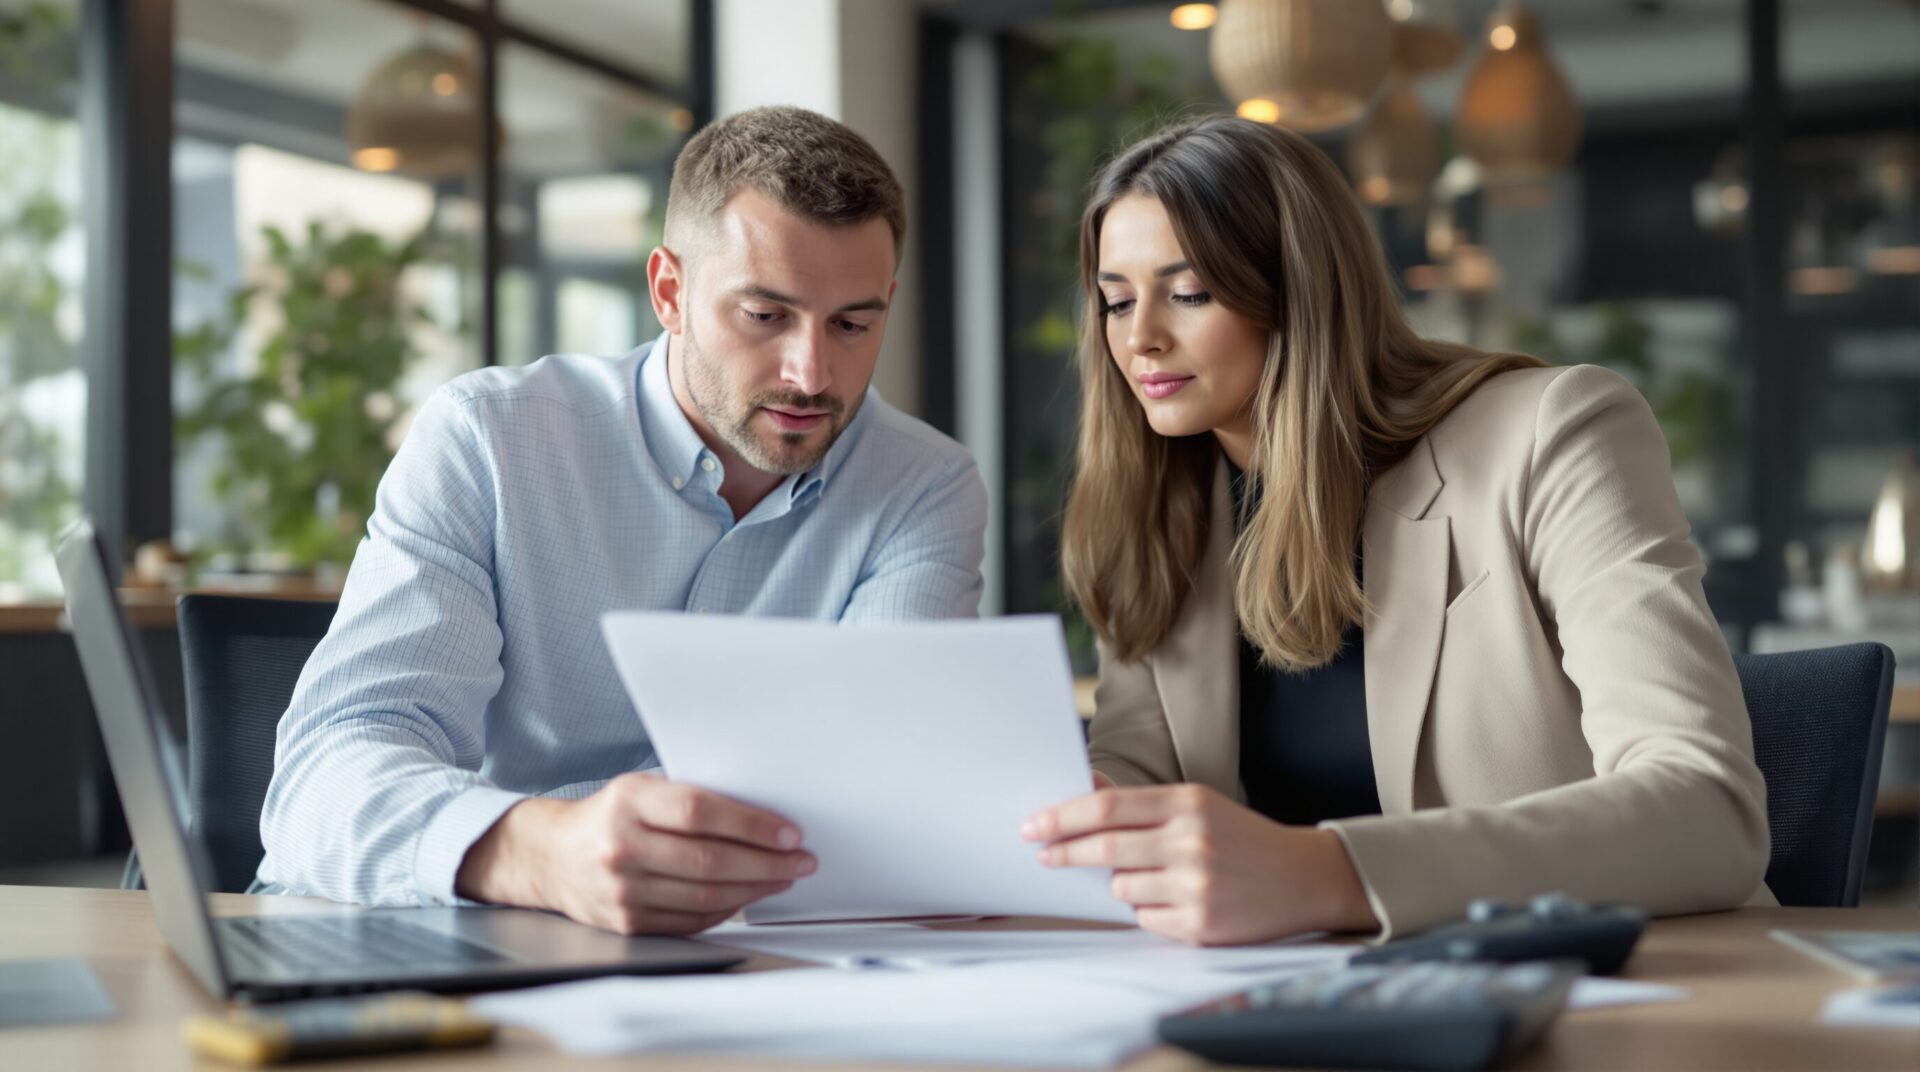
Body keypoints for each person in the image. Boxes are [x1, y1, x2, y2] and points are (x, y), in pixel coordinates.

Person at [1020, 115, 1772, 946]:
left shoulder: (1553, 434)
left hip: (1609, 987)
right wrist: (1044, 818)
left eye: (1189, 293)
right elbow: (1139, 768)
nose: (1139, 338)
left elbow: (1707, 808)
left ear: (1298, 290)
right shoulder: (1161, 505)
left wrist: (1332, 874)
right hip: (1285, 993)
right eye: (1115, 301)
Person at [256, 106, 988, 936]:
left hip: (753, 967)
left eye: (853, 324)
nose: (811, 373)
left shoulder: (924, 486)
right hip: (477, 935)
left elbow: (889, 787)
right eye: (765, 316)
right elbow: (321, 783)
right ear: (670, 291)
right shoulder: (490, 439)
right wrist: (545, 853)